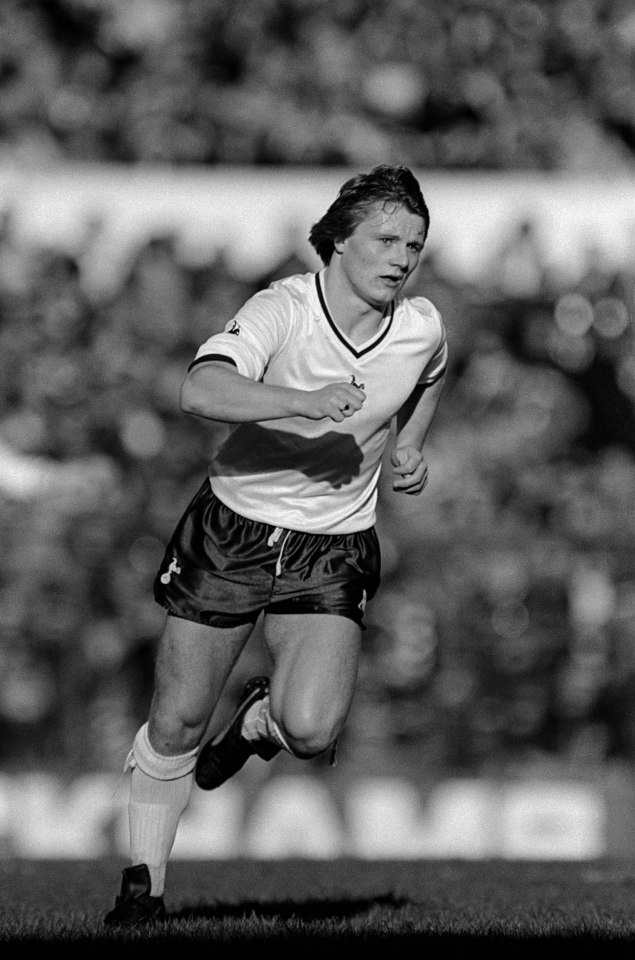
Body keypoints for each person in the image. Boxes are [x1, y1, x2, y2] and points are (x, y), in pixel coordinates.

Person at [104, 164, 448, 926]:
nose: (400, 257)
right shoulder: (281, 310)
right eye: (385, 239)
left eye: (414, 244)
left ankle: (259, 721)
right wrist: (300, 401)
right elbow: (200, 389)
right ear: (335, 242)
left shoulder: (420, 323)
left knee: (312, 729)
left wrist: (409, 445)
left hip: (334, 543)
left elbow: (429, 370)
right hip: (234, 531)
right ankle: (143, 887)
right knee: (179, 722)